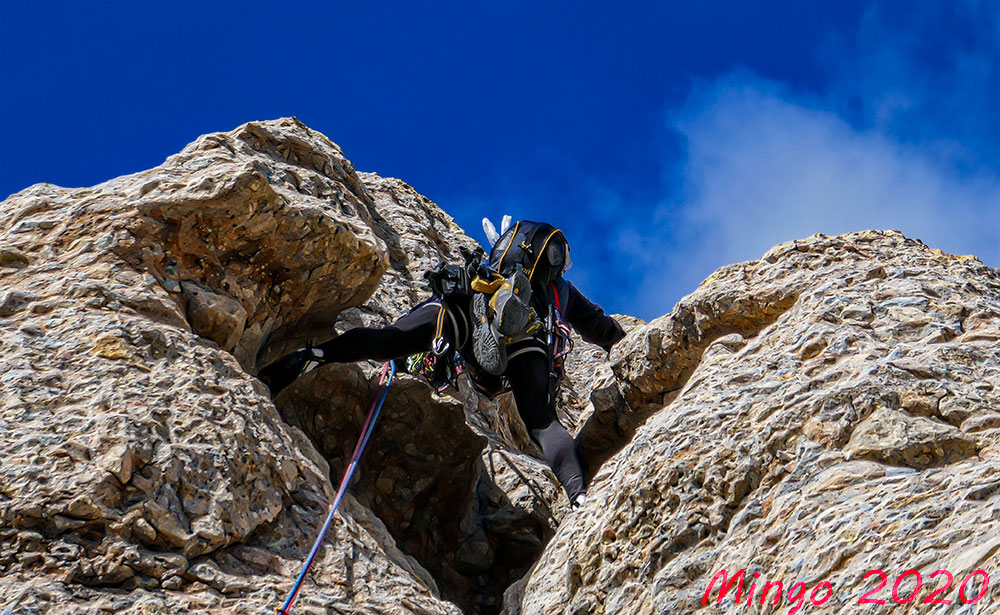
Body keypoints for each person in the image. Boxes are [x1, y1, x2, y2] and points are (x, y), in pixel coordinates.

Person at [259, 218, 625, 508]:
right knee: (543, 423)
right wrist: (625, 346)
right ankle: (578, 495)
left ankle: (316, 355)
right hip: (526, 343)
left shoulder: (491, 268)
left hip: (463, 305)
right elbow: (600, 327)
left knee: (390, 340)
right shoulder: (560, 292)